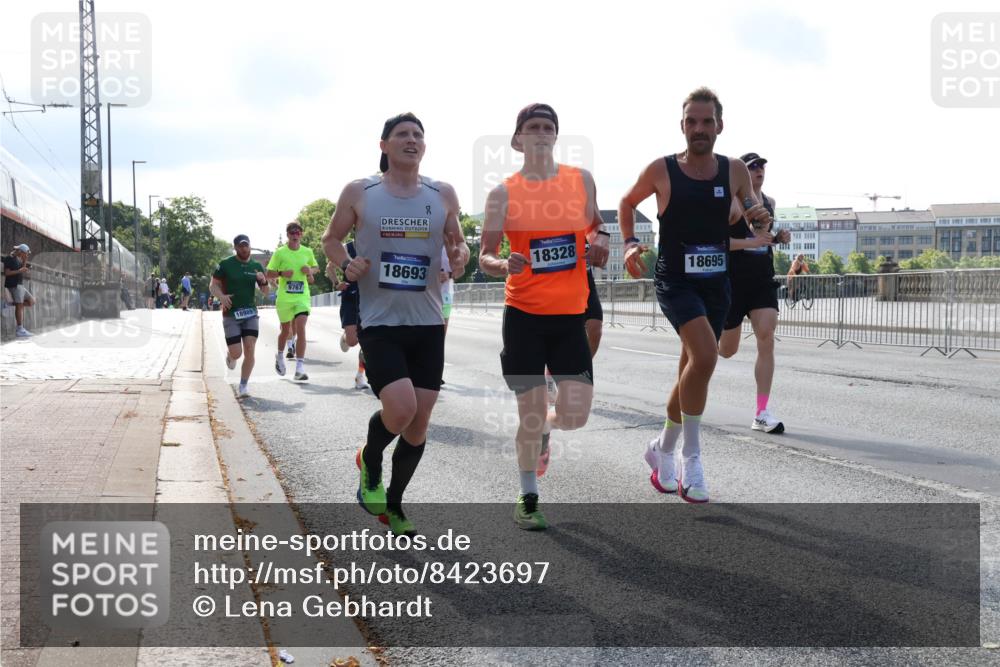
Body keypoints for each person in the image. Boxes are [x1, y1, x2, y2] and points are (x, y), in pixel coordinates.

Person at [620, 87, 774, 503]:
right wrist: (632, 242)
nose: (699, 129)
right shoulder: (662, 169)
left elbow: (752, 212)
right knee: (706, 355)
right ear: (682, 125)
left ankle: (661, 450)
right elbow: (627, 201)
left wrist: (758, 216)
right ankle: (692, 458)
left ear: (719, 126)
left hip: (717, 283)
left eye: (707, 122)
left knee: (692, 368)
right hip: (675, 282)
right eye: (692, 121)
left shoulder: (735, 170)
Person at [322, 112, 469, 537]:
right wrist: (348, 264)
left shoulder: (442, 193)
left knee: (419, 423)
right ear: (383, 145)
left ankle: (395, 505)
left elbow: (456, 243)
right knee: (401, 409)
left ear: (425, 147)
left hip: (427, 321)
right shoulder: (360, 191)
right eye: (402, 134)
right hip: (380, 321)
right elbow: (330, 240)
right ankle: (370, 460)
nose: (411, 140)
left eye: (418, 135)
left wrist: (459, 256)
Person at [479, 103, 609, 530]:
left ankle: (548, 430)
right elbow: (485, 256)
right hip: (524, 316)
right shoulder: (503, 194)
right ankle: (528, 495)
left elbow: (595, 227)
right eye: (531, 127)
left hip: (571, 316)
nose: (540, 133)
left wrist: (602, 241)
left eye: (547, 127)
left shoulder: (579, 181)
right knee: (529, 415)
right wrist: (502, 265)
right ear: (518, 140)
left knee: (575, 415)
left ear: (556, 136)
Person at [718, 152, 791, 434]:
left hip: (762, 281)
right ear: (742, 173)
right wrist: (752, 241)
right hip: (734, 282)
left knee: (766, 337)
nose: (759, 170)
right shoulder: (732, 204)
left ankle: (761, 412)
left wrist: (778, 238)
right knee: (727, 350)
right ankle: (702, 345)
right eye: (753, 167)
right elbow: (721, 242)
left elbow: (764, 240)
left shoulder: (769, 203)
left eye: (762, 166)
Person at [211, 235, 269, 398]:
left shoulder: (256, 265)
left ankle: (243, 386)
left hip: (250, 313)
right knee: (237, 353)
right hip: (231, 313)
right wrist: (221, 297)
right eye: (240, 246)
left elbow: (265, 293)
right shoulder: (225, 265)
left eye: (246, 245)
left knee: (250, 348)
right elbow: (213, 285)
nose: (244, 249)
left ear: (250, 246)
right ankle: (230, 355)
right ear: (235, 248)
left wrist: (263, 281)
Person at [267, 221, 319, 381]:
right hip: (284, 298)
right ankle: (280, 356)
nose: (295, 235)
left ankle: (299, 368)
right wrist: (282, 273)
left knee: (301, 327)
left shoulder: (307, 251)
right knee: (285, 331)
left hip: (301, 297)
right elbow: (269, 273)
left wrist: (310, 270)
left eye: (298, 232)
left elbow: (316, 268)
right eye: (292, 232)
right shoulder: (280, 253)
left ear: (301, 234)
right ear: (288, 235)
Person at [333, 239, 370, 391]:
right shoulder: (346, 248)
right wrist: (336, 283)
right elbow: (330, 267)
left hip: (369, 300)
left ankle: (360, 375)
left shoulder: (374, 245)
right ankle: (346, 337)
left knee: (366, 340)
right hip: (350, 299)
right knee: (352, 341)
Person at [3, 244, 34, 337]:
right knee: (20, 305)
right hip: (14, 285)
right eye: (26, 254)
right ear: (20, 251)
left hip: (20, 286)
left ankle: (10, 304)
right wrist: (19, 271)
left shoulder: (18, 260)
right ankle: (20, 330)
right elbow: (7, 273)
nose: (27, 256)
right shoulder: (9, 258)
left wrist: (25, 262)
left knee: (32, 301)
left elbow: (22, 270)